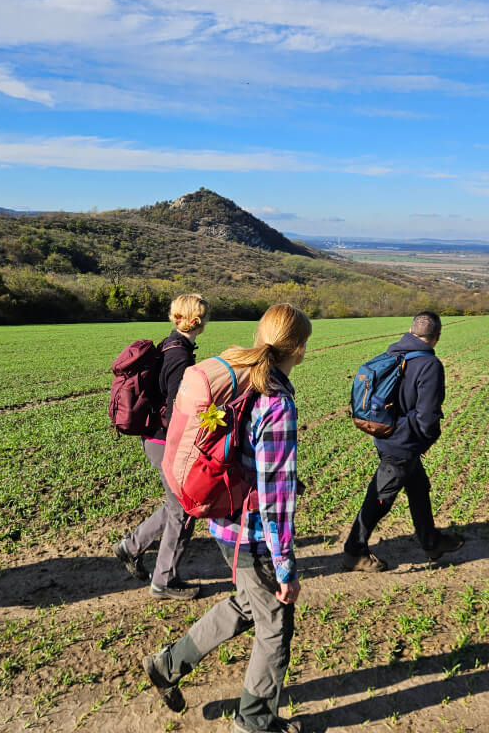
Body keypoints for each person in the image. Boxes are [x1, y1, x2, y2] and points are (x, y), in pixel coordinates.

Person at [142, 303, 311, 733]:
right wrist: (286, 565)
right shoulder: (276, 400)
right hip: (252, 535)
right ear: (301, 348)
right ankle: (254, 723)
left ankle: (167, 664)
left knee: (247, 606)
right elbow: (276, 496)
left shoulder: (238, 374)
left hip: (223, 523)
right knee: (274, 625)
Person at [342, 311, 464, 572]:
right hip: (402, 446)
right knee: (379, 498)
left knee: (418, 487)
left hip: (386, 437)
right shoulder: (430, 365)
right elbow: (427, 417)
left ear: (411, 332)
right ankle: (354, 551)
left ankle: (431, 542)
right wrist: (423, 439)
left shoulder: (394, 354)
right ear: (437, 337)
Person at [114, 294, 209, 601]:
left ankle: (131, 546)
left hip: (156, 438)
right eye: (206, 317)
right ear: (195, 321)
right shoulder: (179, 356)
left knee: (175, 504)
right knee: (184, 508)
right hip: (166, 441)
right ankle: (164, 580)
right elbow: (175, 407)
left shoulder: (170, 345)